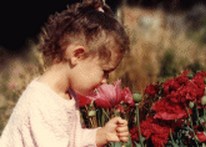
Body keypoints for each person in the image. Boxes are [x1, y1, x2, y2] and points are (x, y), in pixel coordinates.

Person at [0, 0, 130, 146]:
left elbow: (70, 139)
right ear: (77, 55)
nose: (105, 80)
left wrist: (100, 135)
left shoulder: (64, 94)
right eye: (104, 71)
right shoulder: (41, 103)